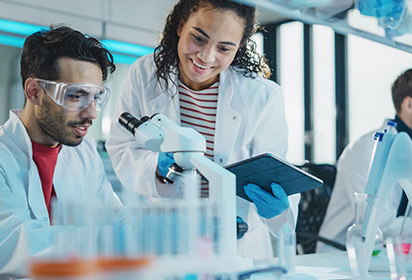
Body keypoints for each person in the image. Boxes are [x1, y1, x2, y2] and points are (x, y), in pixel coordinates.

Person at [105, 0, 299, 260]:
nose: (206, 57)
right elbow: (122, 147)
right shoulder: (144, 74)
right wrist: (157, 169)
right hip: (166, 240)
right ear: (180, 25)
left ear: (239, 46)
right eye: (198, 39)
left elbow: (275, 172)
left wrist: (277, 210)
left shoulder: (262, 96)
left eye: (224, 48)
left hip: (238, 245)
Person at [0, 25, 121, 279]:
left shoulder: (84, 152)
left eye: (97, 97)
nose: (92, 114)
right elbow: (14, 243)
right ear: (34, 91)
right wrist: (113, 240)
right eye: (76, 96)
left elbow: (115, 219)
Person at [317, 67, 412, 253]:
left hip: (389, 252)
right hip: (342, 255)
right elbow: (378, 221)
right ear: (408, 105)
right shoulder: (369, 147)